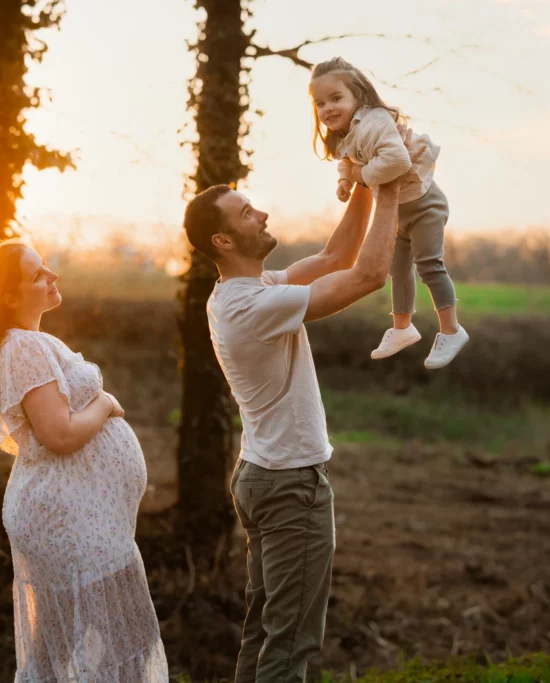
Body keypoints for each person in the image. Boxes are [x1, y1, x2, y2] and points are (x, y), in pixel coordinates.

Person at [183, 170, 400, 681]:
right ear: (223, 239)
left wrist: (366, 182)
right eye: (247, 213)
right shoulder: (253, 306)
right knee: (291, 644)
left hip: (263, 475)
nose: (262, 215)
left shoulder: (246, 290)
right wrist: (392, 186)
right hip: (288, 486)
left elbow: (333, 259)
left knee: (264, 632)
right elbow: (367, 276)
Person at [0, 238, 167, 682]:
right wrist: (106, 404)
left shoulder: (29, 343)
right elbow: (59, 434)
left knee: (64, 652)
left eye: (46, 267)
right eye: (37, 275)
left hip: (80, 517)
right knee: (120, 643)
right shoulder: (21, 348)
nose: (52, 276)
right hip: (69, 521)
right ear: (10, 297)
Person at [311, 56, 469, 369]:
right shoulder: (347, 131)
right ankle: (402, 328)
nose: (327, 108)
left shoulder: (374, 122)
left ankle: (452, 330)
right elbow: (347, 158)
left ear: (358, 95)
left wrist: (359, 177)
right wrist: (345, 178)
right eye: (320, 103)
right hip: (398, 210)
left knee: (429, 265)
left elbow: (398, 162)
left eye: (336, 98)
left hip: (425, 205)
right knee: (397, 268)